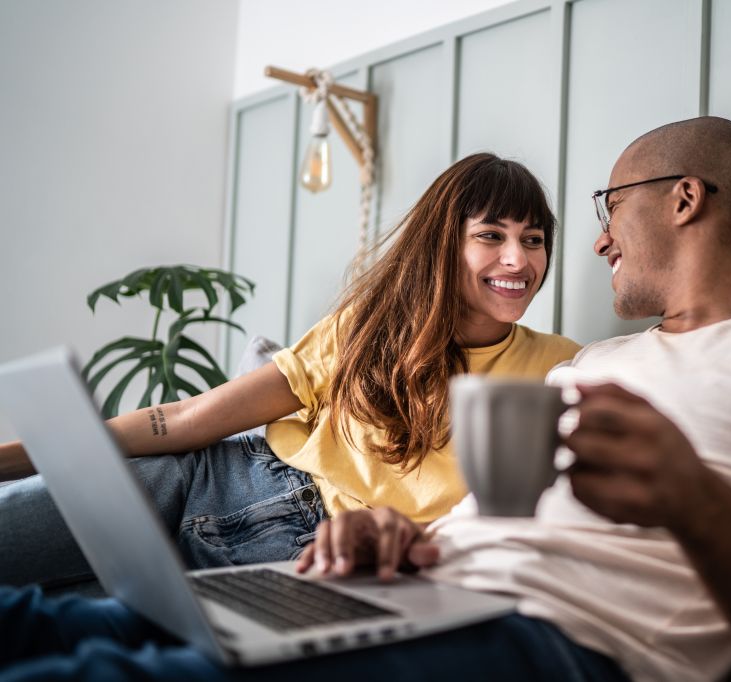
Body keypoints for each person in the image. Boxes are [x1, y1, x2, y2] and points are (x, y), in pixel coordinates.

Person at [0, 117, 731, 682]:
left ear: (685, 198)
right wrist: (395, 536)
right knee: (39, 624)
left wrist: (693, 502)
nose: (597, 242)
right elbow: (488, 520)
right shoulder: (590, 366)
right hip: (384, 587)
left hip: (548, 643)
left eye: (610, 206)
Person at [0, 153, 580, 590]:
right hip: (220, 478)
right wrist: (20, 456)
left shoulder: (562, 367)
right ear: (442, 246)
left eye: (533, 240)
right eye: (491, 236)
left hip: (320, 553)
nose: (519, 260)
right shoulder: (370, 328)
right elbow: (186, 417)